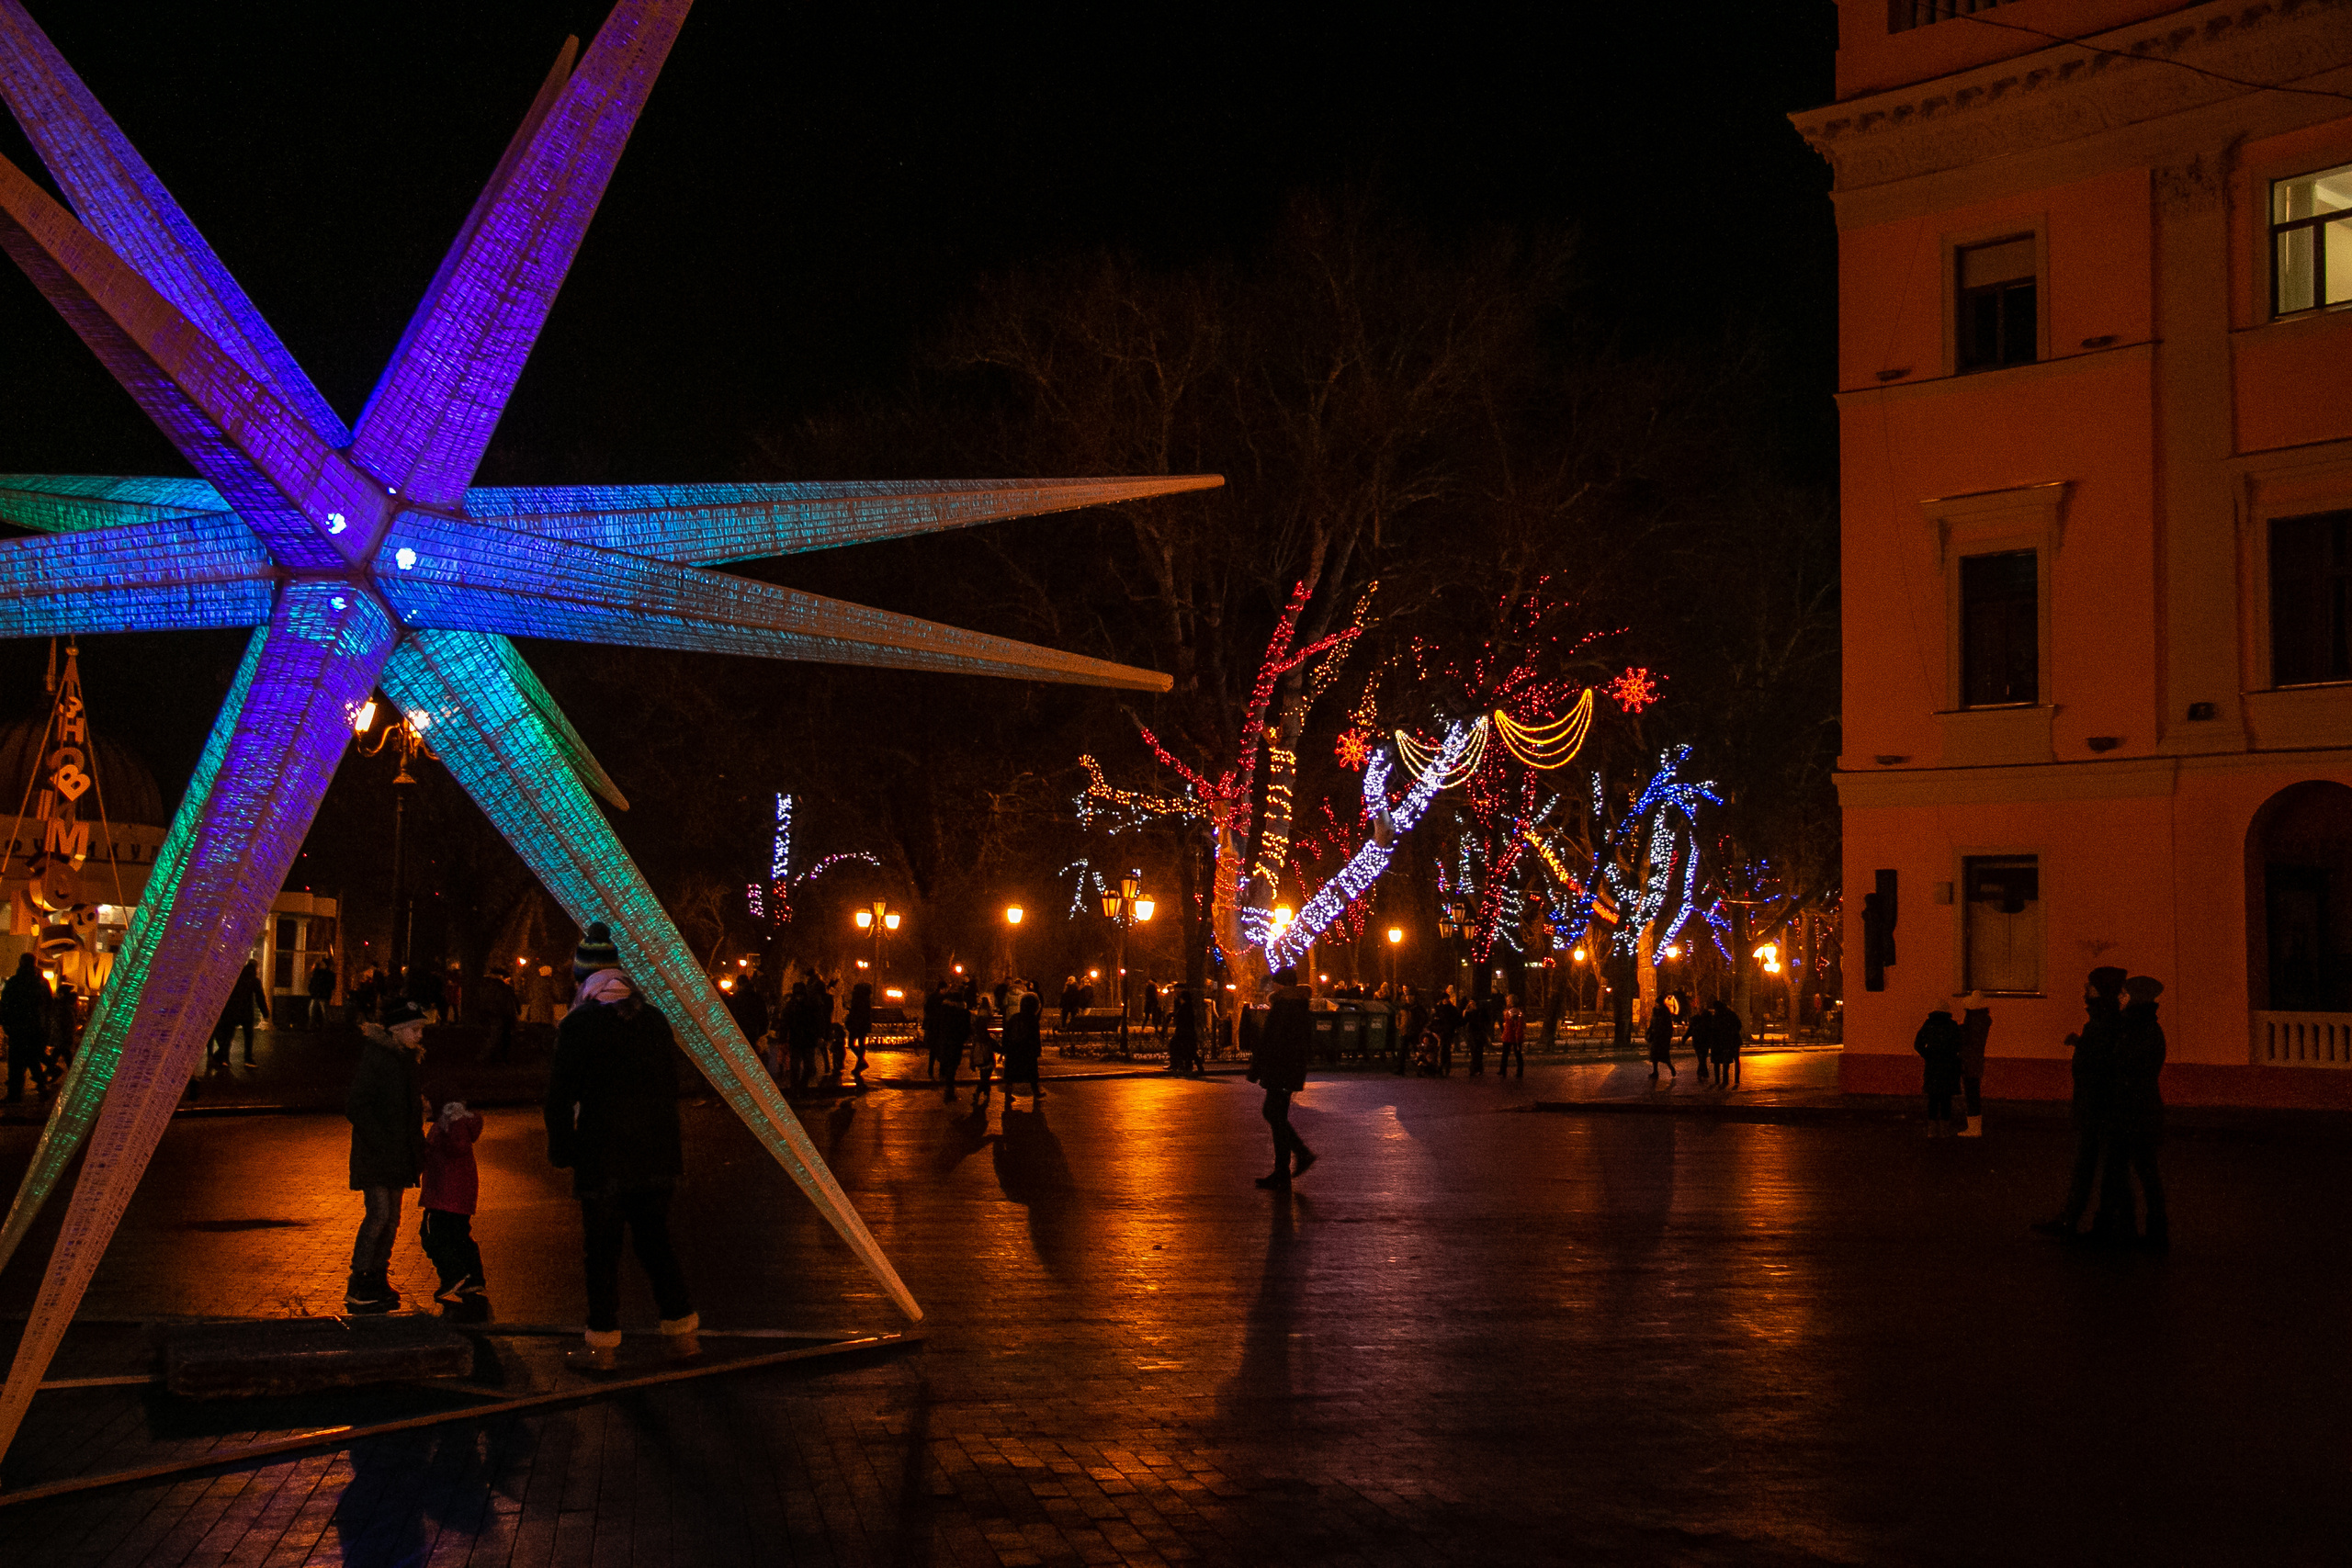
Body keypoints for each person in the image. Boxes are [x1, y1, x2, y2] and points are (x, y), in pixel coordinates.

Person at [545, 931, 699, 1372]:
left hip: (603, 1156)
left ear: (584, 978)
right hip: (655, 1156)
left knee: (602, 1253)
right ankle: (683, 1337)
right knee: (656, 1245)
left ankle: (602, 1347)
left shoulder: (579, 1025)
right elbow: (672, 1086)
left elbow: (559, 1096)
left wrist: (563, 1149)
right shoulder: (653, 1020)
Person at [345, 998, 428, 1314]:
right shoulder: (378, 1059)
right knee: (379, 1214)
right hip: (377, 1155)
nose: (420, 1035)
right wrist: (382, 1141)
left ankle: (377, 1277)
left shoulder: (406, 1060)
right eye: (415, 1029)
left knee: (391, 1219)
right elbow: (357, 1105)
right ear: (397, 1030)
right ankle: (360, 1279)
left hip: (395, 1154)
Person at [2034, 967, 2127, 1241]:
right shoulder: (2107, 1020)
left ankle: (2075, 1219)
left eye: (2091, 986)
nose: (2085, 990)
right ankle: (2097, 1221)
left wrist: (2083, 1048)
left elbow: (2099, 1064)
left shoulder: (2103, 1021)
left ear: (2101, 989)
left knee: (2090, 1164)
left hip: (2096, 1106)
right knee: (2104, 1166)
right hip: (2100, 1105)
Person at [2102, 976, 2169, 1249]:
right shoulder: (2140, 1027)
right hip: (2136, 1110)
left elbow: (2129, 1066)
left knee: (2142, 1171)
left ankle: (2149, 1232)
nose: (2120, 998)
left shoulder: (2141, 1030)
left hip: (2136, 1111)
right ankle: (2137, 1229)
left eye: (2125, 994)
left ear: (2137, 998)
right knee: (2135, 1171)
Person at [419, 1091, 490, 1315]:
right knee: (459, 1236)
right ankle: (473, 1277)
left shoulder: (449, 1125)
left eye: (426, 1099)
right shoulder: (457, 1123)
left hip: (444, 1195)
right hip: (458, 1196)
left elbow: (452, 1149)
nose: (424, 1103)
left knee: (432, 1235)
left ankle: (453, 1276)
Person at [1250, 966, 1316, 1188]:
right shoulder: (1299, 1005)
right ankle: (1283, 1170)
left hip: (1280, 1069)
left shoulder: (1283, 1007)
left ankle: (1298, 1156)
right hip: (1290, 1069)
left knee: (1273, 1113)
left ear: (1281, 984)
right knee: (1277, 1114)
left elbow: (1270, 1041)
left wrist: (1257, 1068)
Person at [1914, 998, 1964, 1136]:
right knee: (1946, 1098)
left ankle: (1932, 1129)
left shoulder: (1928, 1025)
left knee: (1933, 1098)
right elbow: (1960, 1044)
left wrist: (1928, 1055)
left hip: (1933, 1066)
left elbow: (1918, 1044)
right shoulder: (1952, 1026)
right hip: (1949, 1066)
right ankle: (1944, 1129)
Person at [1955, 991, 1991, 1137]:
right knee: (1972, 1092)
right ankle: (1974, 1126)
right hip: (1975, 1060)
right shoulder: (1982, 1019)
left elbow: (1969, 1041)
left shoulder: (1974, 1021)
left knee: (1971, 1093)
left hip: (1970, 1060)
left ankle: (1974, 1128)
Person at [999, 990, 1044, 1106]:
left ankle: (1008, 1094)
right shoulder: (1033, 1020)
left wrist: (1005, 1047)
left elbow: (1007, 1033)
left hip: (1014, 1049)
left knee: (1011, 1073)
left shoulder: (1015, 1017)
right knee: (1032, 1072)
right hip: (1028, 1051)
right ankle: (1036, 1091)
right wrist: (1037, 1050)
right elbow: (1035, 1037)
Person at [473, 964, 519, 1064]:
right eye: (507, 979)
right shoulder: (501, 987)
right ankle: (484, 1057)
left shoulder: (484, 985)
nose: (508, 981)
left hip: (486, 1013)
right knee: (495, 1037)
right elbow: (505, 1002)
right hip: (497, 1014)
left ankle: (491, 1057)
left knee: (490, 1036)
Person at [1708, 997, 1744, 1089]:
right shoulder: (1731, 1014)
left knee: (1720, 1061)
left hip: (1722, 1041)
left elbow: (1712, 1029)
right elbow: (1739, 1025)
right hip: (1733, 1040)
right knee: (1732, 1060)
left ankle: (1719, 1080)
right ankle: (1735, 1079)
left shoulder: (1716, 1017)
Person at [1645, 994, 1679, 1083]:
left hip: (1662, 1037)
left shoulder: (1665, 1012)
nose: (1656, 1004)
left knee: (1663, 1055)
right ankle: (1655, 1071)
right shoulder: (1656, 1011)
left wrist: (1666, 1035)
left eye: (1657, 1003)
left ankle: (1671, 1068)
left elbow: (1667, 1025)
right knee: (1654, 1055)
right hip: (1656, 1035)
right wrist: (1649, 1030)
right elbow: (1652, 1022)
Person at [1169, 985, 1202, 1074]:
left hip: (1184, 1032)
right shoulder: (1187, 1007)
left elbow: (1183, 1019)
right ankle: (1189, 1066)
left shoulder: (1185, 1008)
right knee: (1190, 1050)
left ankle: (1179, 1065)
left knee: (1180, 1048)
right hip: (1187, 1032)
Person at [844, 979, 873, 1081]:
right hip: (863, 1024)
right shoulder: (866, 999)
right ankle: (861, 1062)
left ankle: (861, 1063)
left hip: (857, 1023)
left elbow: (856, 1011)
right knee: (861, 1044)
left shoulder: (857, 998)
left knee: (852, 1044)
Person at [1431, 987, 1461, 1077]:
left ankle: (1443, 1067)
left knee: (1445, 1049)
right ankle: (1440, 1067)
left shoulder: (1451, 1009)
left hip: (1447, 1032)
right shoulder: (1439, 1008)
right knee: (1441, 1050)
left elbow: (1456, 1020)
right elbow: (1435, 1020)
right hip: (1440, 1031)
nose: (1446, 1000)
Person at [1496, 994, 1526, 1077]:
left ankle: (1503, 1070)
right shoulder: (1518, 1011)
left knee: (1506, 1054)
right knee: (1517, 1054)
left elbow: (1512, 1024)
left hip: (1510, 1035)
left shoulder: (1511, 1012)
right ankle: (1518, 1072)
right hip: (1514, 1035)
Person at [1463, 992, 1491, 1077]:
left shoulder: (1481, 1011)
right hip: (1472, 1033)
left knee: (1479, 1051)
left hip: (1480, 1032)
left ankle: (1477, 1068)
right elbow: (1464, 1022)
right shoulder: (1469, 1012)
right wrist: (1466, 1013)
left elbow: (1486, 1020)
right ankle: (1474, 1068)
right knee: (1474, 1051)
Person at [307, 956, 337, 1028]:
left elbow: (312, 983)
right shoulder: (329, 974)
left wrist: (312, 991)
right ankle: (325, 1026)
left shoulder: (317, 973)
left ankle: (312, 1025)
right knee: (324, 1012)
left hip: (316, 995)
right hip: (322, 995)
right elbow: (332, 985)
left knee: (312, 1011)